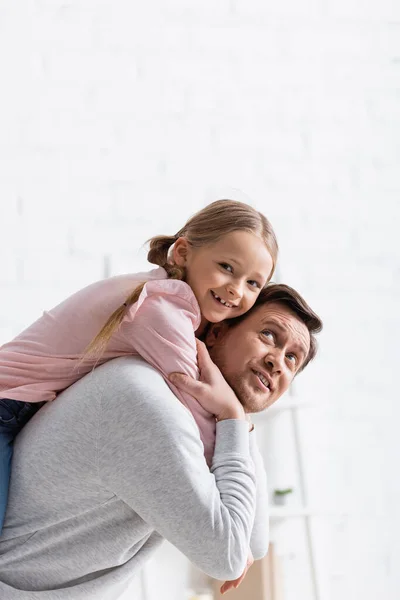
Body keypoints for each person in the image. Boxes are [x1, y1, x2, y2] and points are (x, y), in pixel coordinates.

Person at [0, 283, 322, 599]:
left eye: (293, 359)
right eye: (268, 335)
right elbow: (228, 558)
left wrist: (237, 419)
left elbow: (253, 541)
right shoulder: (145, 399)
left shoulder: (205, 419)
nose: (277, 361)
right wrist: (233, 419)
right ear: (217, 332)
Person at [0, 199, 278, 532]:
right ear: (182, 253)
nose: (236, 289)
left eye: (253, 284)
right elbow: (197, 422)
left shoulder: (167, 298)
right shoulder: (160, 312)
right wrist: (226, 515)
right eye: (228, 267)